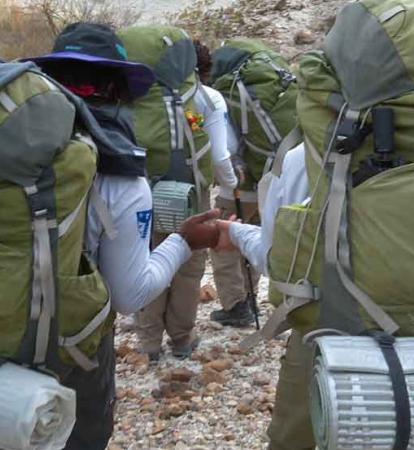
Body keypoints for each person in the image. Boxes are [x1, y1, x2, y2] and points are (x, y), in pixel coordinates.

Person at [0, 23, 221, 450]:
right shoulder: (121, 181)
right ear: (120, 93)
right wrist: (184, 241)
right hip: (72, 352)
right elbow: (128, 294)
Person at [133, 40, 240, 362]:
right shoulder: (208, 98)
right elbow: (220, 156)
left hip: (145, 192)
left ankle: (149, 343)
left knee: (150, 261)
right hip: (194, 192)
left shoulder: (135, 95)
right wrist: (230, 186)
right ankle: (181, 338)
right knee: (188, 268)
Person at [214, 143, 312, 450]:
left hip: (323, 327)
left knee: (291, 440)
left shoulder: (304, 154)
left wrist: (235, 233)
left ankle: (236, 305)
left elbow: (275, 259)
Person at [196, 40, 263, 328]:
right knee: (253, 237)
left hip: (236, 186)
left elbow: (225, 148)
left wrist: (228, 179)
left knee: (224, 246)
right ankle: (251, 299)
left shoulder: (216, 97)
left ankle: (236, 306)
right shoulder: (253, 94)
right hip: (265, 179)